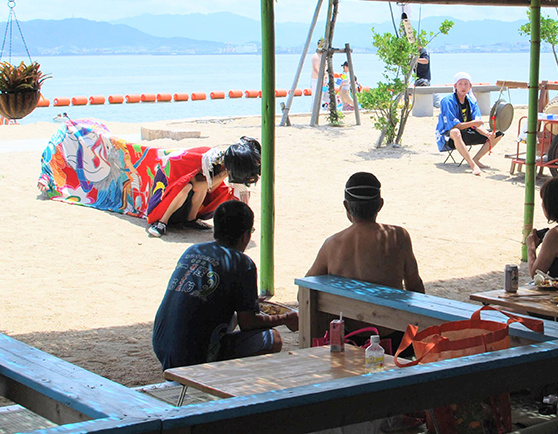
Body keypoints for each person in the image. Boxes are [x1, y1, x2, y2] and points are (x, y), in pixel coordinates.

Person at [152, 200, 299, 370]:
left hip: (161, 344)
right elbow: (248, 323)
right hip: (192, 355)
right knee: (272, 339)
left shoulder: (193, 250)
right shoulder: (243, 263)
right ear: (246, 236)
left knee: (231, 315)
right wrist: (286, 318)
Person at [306, 171, 425, 293]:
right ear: (380, 205)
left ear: (346, 206)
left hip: (345, 311)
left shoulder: (332, 244)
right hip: (388, 312)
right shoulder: (398, 236)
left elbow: (305, 290)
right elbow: (414, 285)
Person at [147, 137, 261, 238]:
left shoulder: (217, 163)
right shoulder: (204, 158)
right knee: (185, 187)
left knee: (202, 187)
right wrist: (223, 174)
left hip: (184, 201)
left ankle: (191, 219)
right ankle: (162, 222)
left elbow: (210, 188)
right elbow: (196, 184)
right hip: (169, 193)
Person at [435, 72, 504, 176]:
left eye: (466, 84)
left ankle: (476, 159)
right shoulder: (447, 101)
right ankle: (472, 165)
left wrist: (487, 134)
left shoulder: (472, 102)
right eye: (460, 84)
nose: (463, 87)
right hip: (449, 138)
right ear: (455, 86)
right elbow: (453, 125)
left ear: (470, 86)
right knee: (455, 132)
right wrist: (473, 123)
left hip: (468, 132)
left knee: (498, 133)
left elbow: (477, 124)